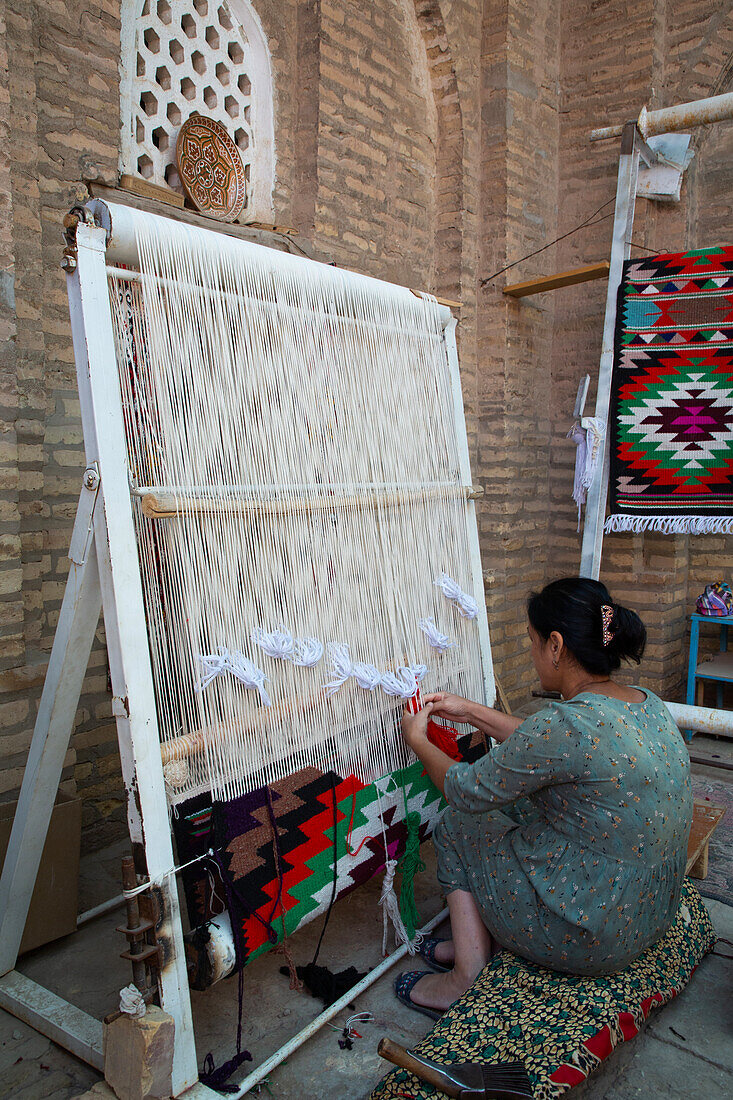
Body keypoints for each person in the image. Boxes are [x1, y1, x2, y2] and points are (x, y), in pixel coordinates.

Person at [394, 577, 693, 1020]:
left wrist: (418, 741)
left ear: (555, 645)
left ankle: (464, 978)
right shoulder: (645, 703)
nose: (533, 653)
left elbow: (467, 791)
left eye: (533, 642)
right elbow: (550, 753)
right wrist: (471, 710)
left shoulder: (567, 726)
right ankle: (479, 933)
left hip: (594, 938)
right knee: (524, 803)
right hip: (648, 914)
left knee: (459, 824)